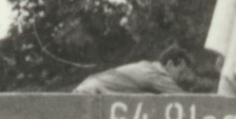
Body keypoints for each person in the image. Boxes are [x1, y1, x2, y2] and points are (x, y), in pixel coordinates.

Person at [73, 46, 202, 95]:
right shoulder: (156, 74)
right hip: (90, 92)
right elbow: (186, 100)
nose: (182, 78)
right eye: (181, 72)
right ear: (169, 65)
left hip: (89, 88)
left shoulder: (148, 68)